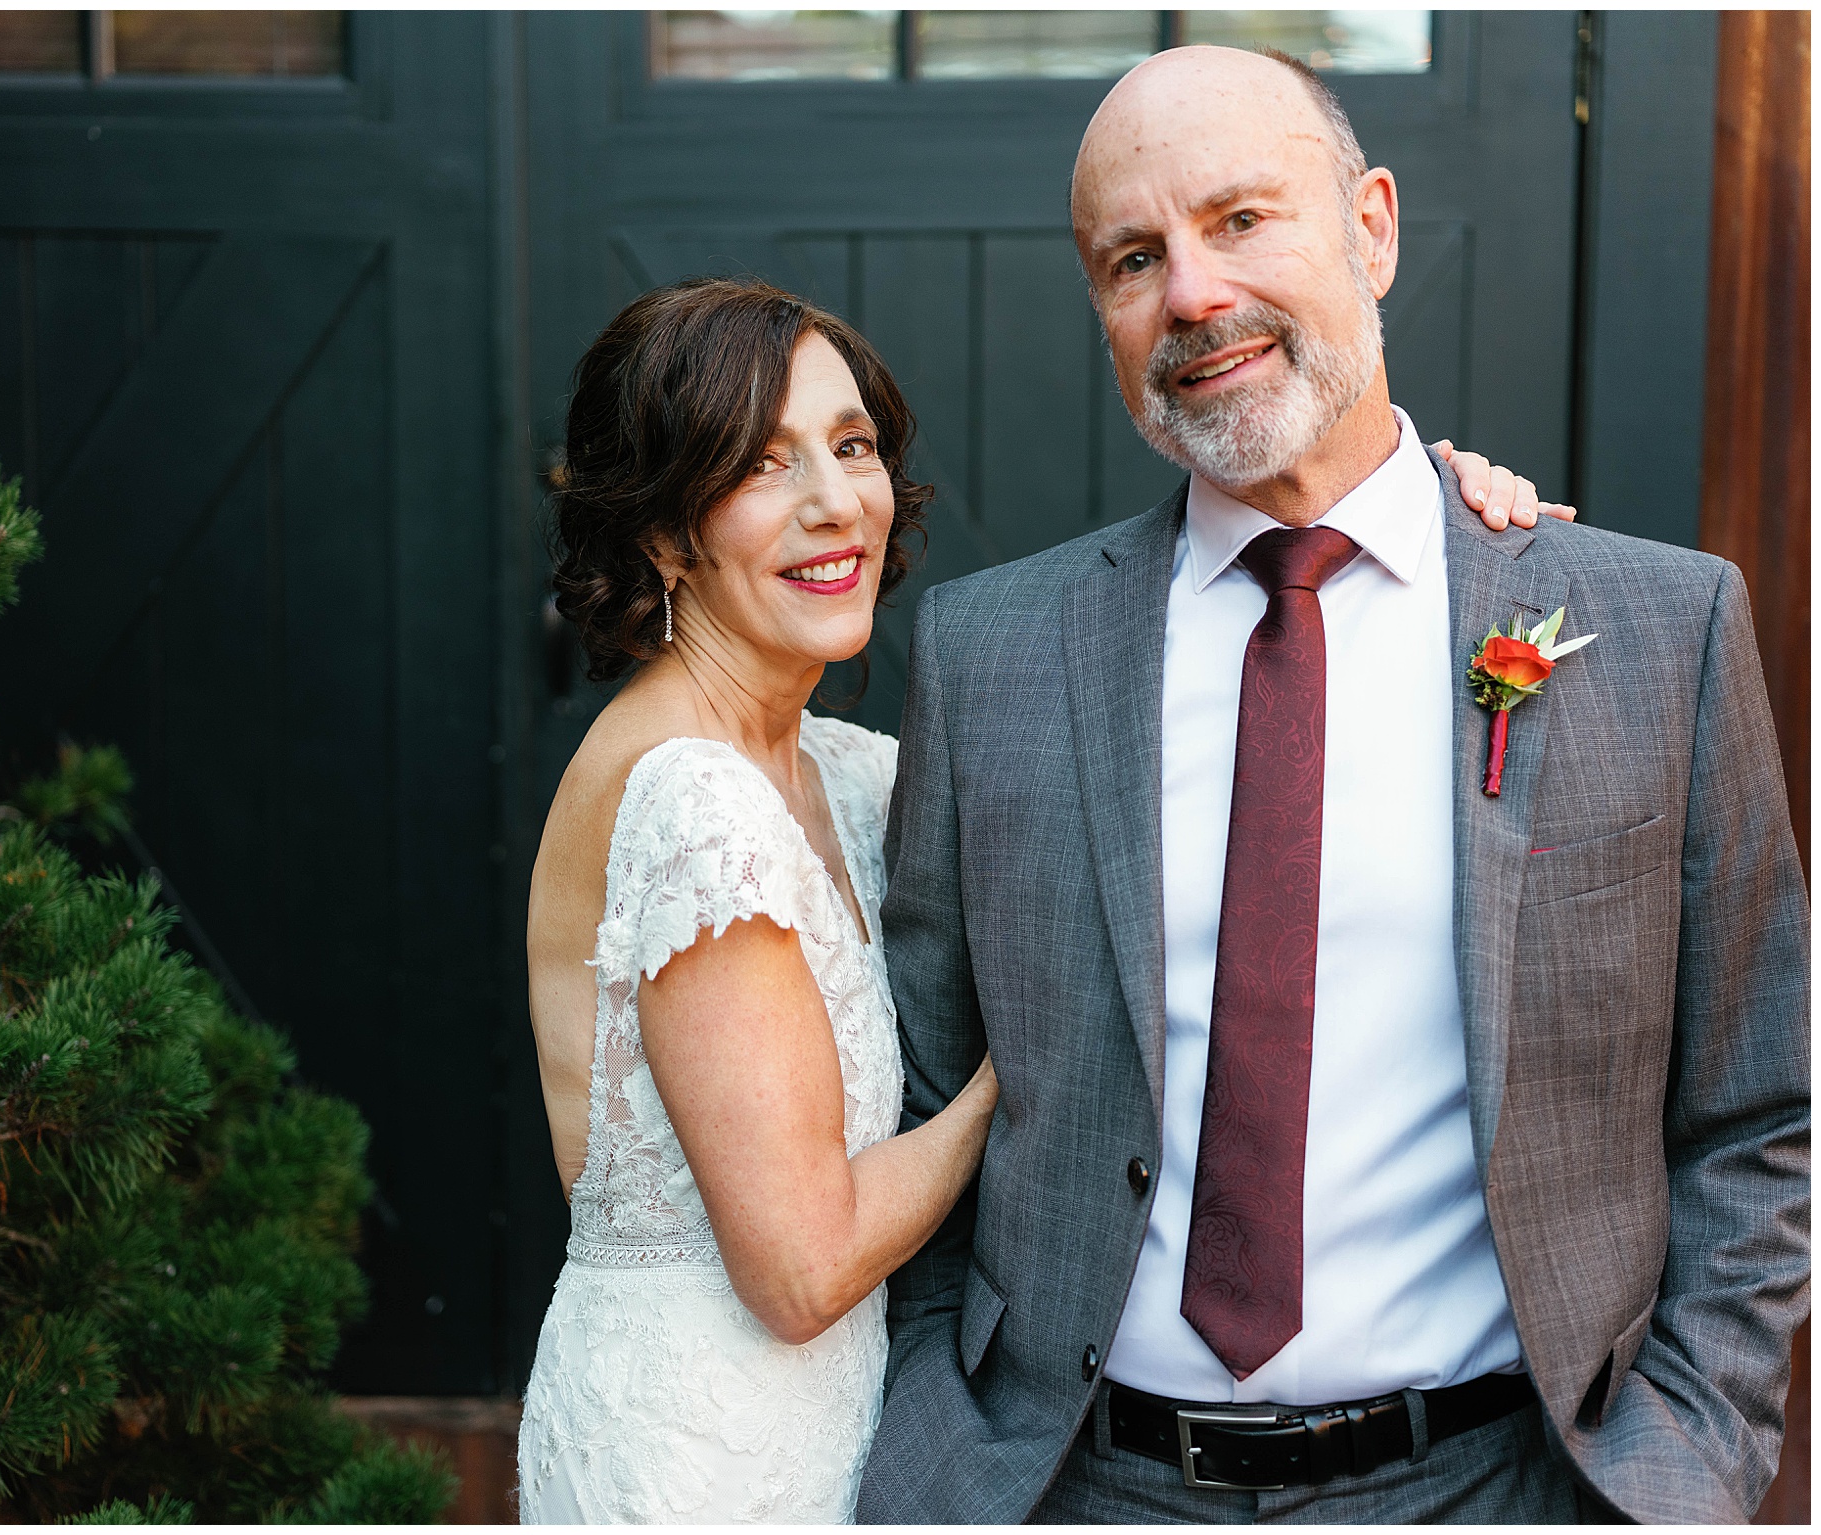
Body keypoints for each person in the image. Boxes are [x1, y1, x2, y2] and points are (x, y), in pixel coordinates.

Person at [855, 44, 1811, 1525]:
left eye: (1242, 220)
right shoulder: (990, 657)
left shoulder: (1653, 632)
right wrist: (941, 1448)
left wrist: (1684, 1469)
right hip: (1076, 1484)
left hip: (1507, 1482)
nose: (1190, 293)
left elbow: (1757, 1103)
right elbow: (917, 1089)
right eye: (1132, 257)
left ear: (1371, 227)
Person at [517, 276, 1569, 1523]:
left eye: (851, 446)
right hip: (703, 1453)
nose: (833, 502)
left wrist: (1404, 499)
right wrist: (1034, 1061)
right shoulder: (690, 794)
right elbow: (800, 1268)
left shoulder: (847, 773)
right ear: (662, 528)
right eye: (759, 464)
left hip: (852, 1429)